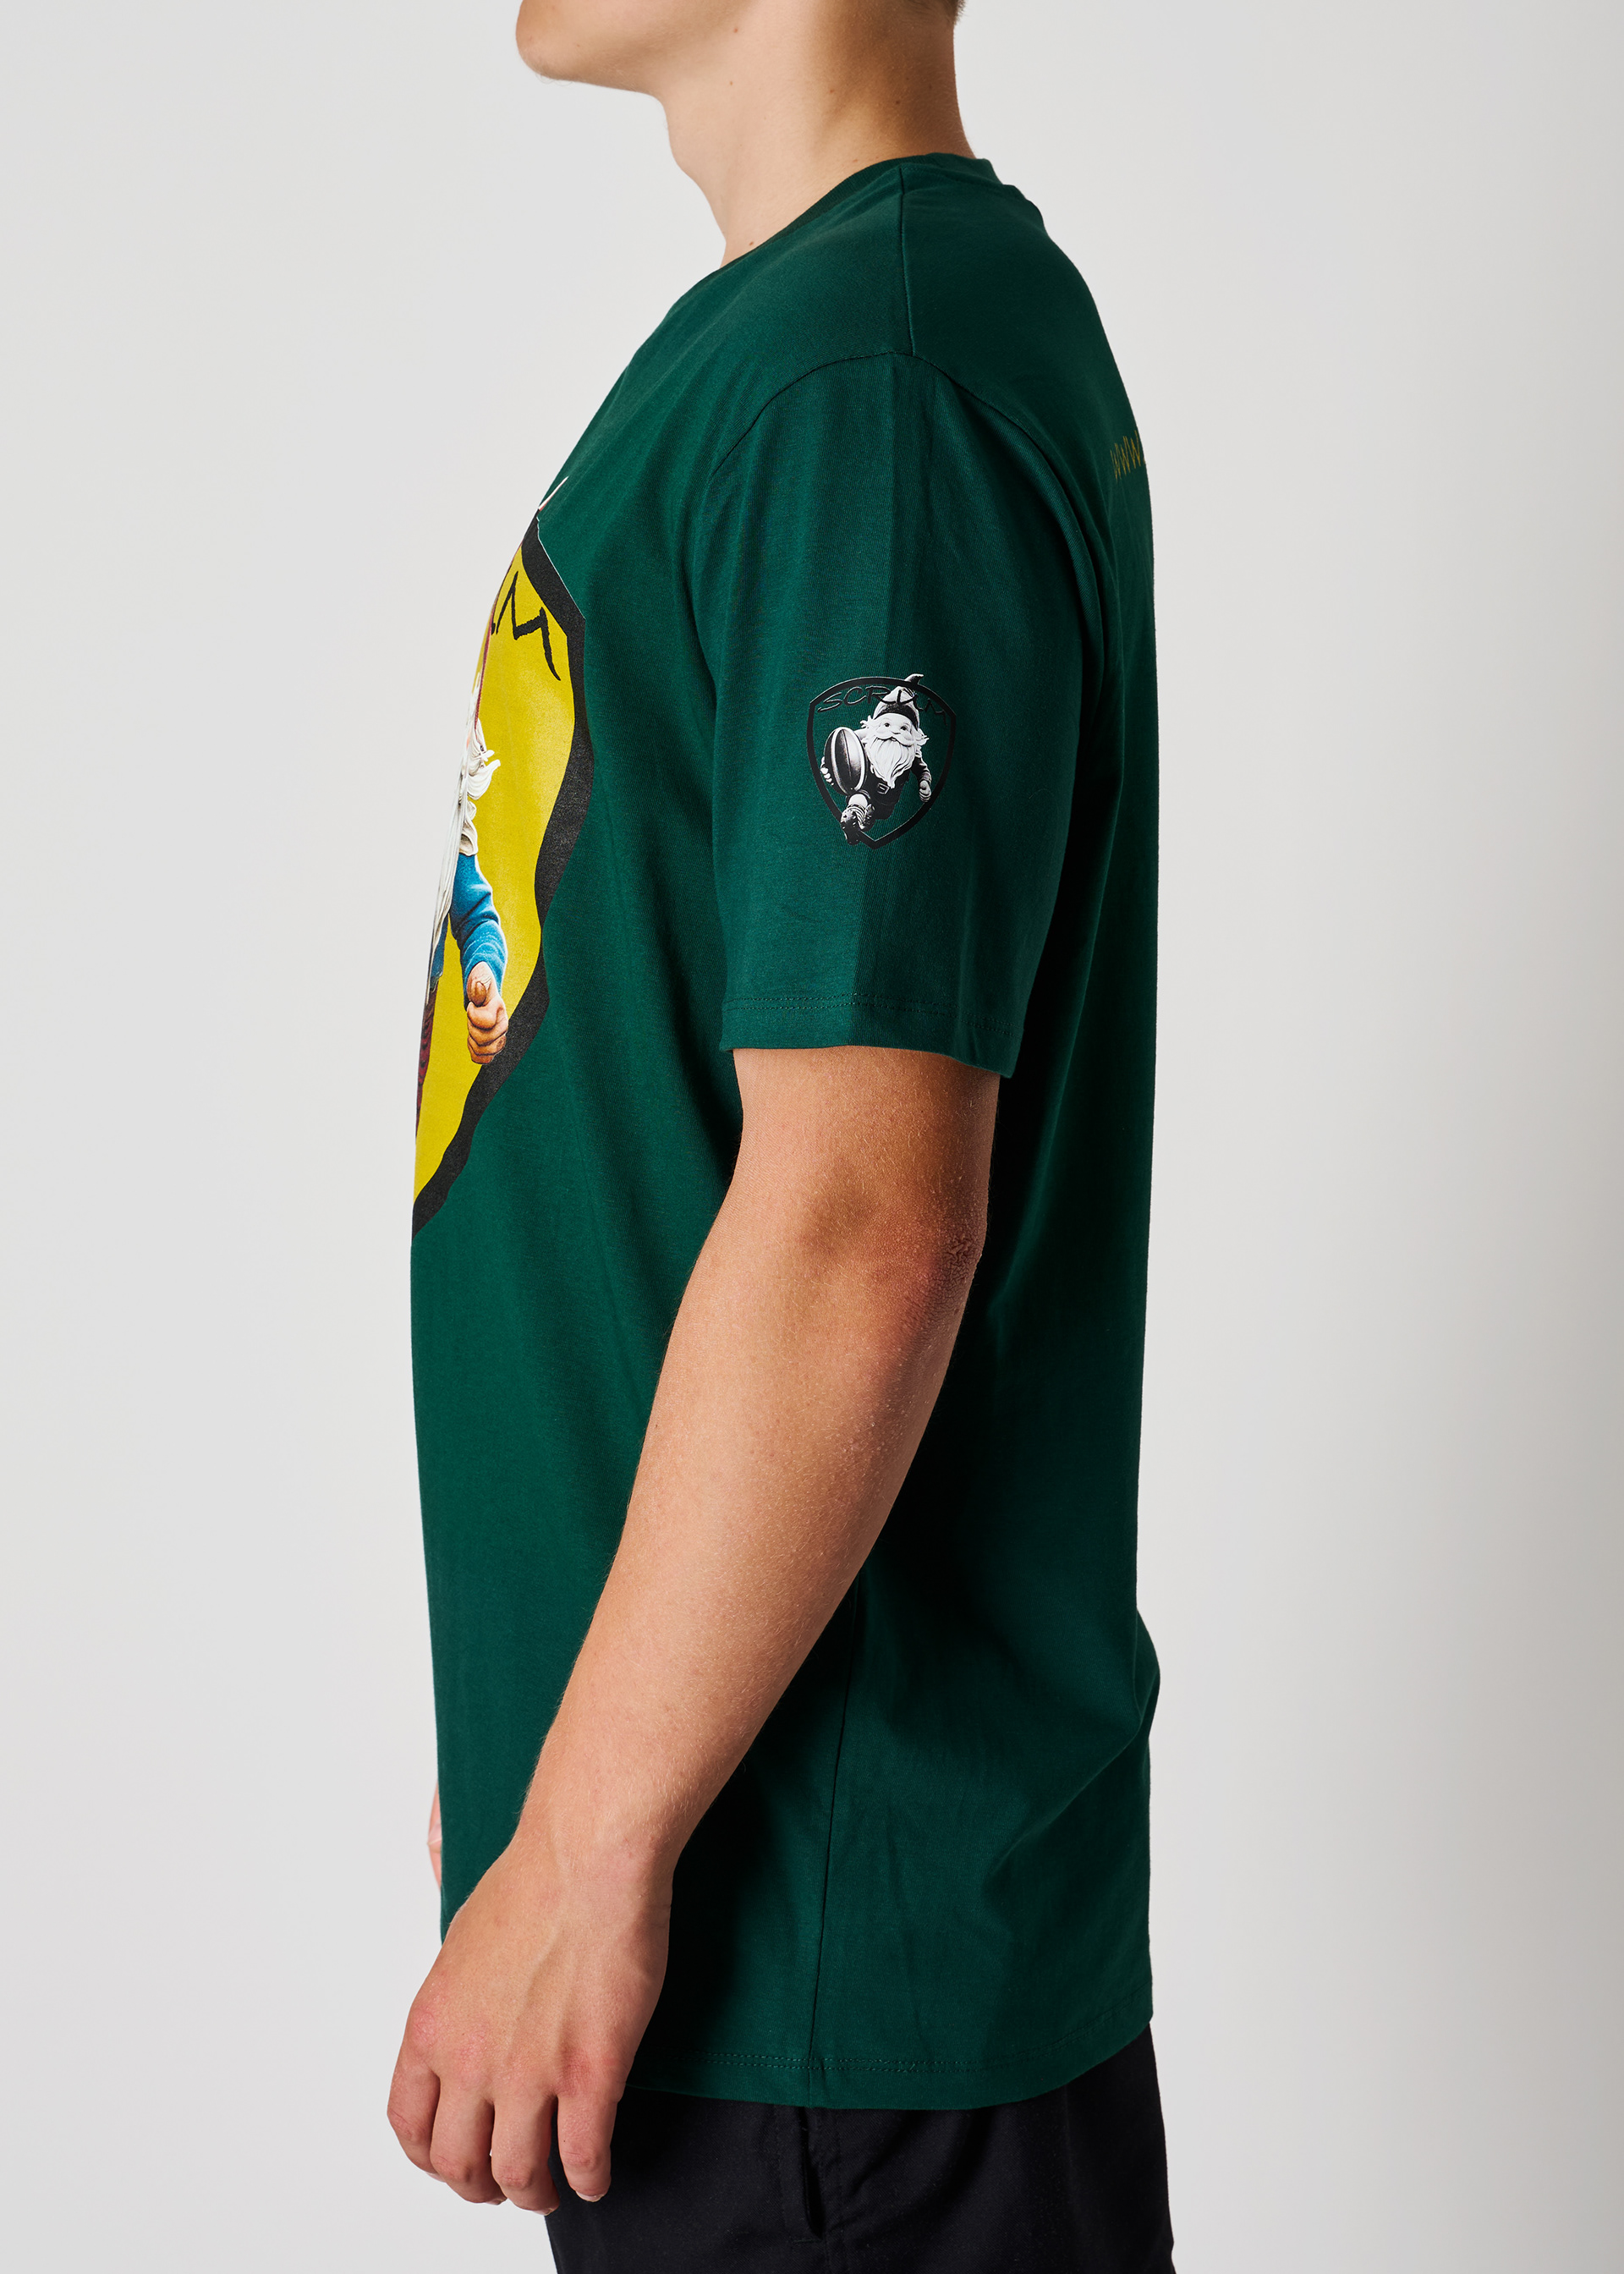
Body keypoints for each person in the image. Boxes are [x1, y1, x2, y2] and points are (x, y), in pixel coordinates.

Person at [389, 1, 1171, 2266]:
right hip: (763, 1936)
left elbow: (864, 1219)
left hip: (825, 1981)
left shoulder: (872, 382)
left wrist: (588, 1839)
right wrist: (566, 1757)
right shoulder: (806, 351)